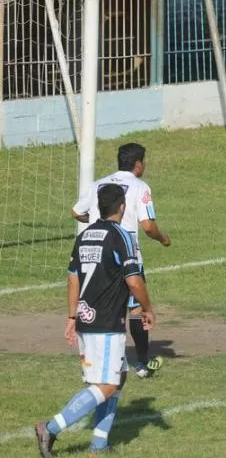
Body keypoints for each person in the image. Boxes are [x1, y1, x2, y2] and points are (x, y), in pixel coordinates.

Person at [35, 183, 156, 458]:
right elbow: (134, 281)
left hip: (86, 318)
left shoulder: (85, 235)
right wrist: (148, 308)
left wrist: (70, 316)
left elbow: (72, 277)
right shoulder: (122, 236)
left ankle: (99, 444)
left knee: (120, 377)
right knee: (106, 385)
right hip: (106, 322)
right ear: (122, 206)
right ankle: (51, 428)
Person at [71, 142, 171, 378]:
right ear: (138, 164)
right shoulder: (140, 186)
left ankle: (98, 359)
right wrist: (163, 239)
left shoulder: (98, 184)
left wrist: (94, 220)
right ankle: (142, 364)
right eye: (143, 162)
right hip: (127, 253)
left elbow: (75, 211)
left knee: (104, 303)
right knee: (136, 308)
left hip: (98, 254)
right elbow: (148, 227)